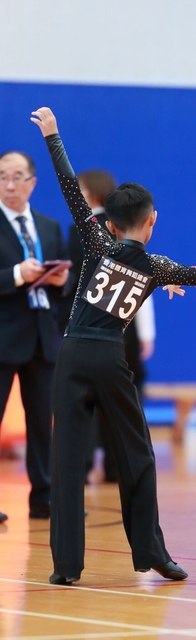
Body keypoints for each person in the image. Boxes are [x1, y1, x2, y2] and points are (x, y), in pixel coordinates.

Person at [30, 106, 196, 584]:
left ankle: (65, 568)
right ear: (152, 221)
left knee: (67, 460)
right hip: (110, 357)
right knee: (137, 456)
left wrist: (53, 136)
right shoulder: (156, 265)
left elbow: (69, 187)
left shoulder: (96, 243)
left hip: (71, 354)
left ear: (108, 223)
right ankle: (153, 554)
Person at [62, 169, 156, 482]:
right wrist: (146, 333)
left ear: (90, 193)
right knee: (124, 399)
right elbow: (144, 281)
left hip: (86, 330)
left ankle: (82, 466)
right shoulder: (131, 230)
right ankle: (120, 467)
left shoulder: (83, 230)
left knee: (83, 399)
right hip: (124, 331)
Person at [0, 150, 70, 521]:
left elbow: (65, 285)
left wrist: (60, 281)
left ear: (32, 182)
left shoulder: (48, 226)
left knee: (43, 423)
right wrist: (16, 274)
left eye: (16, 177)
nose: (9, 185)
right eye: (2, 177)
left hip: (43, 337)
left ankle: (45, 498)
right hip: (4, 336)